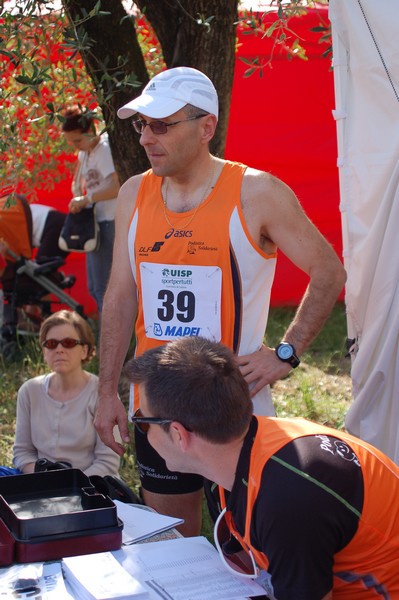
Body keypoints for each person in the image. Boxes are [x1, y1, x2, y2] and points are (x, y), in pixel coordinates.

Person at [94, 67, 346, 536]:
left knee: (247, 540)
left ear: (206, 126)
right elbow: (120, 295)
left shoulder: (257, 193)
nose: (148, 137)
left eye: (162, 124)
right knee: (172, 539)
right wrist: (107, 388)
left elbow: (329, 271)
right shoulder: (133, 192)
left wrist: (285, 354)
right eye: (142, 125)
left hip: (232, 405)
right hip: (156, 406)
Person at [124, 336, 399, 600]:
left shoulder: (287, 498)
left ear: (179, 433)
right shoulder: (237, 454)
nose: (143, 434)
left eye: (143, 421)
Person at [12, 309, 121, 477]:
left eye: (68, 343)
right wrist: (45, 482)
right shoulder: (29, 391)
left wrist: (70, 487)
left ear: (84, 350)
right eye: (51, 344)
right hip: (41, 483)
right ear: (44, 352)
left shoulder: (103, 394)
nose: (59, 349)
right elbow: (22, 453)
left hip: (92, 486)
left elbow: (108, 462)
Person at [61, 105, 120, 314]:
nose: (76, 146)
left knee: (103, 289)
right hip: (97, 223)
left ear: (91, 130)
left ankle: (111, 341)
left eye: (78, 140)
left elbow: (116, 185)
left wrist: (87, 199)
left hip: (109, 220)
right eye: (72, 142)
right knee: (95, 288)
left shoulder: (104, 149)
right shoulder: (85, 153)